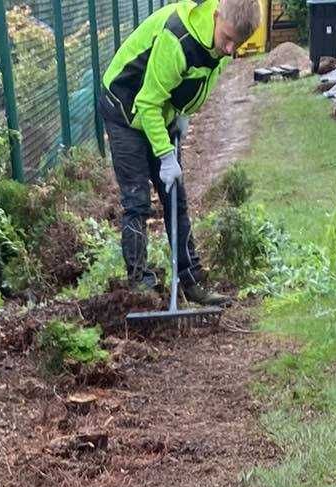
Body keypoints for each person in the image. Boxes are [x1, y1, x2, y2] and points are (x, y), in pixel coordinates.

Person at [99, 0, 260, 304]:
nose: (229, 49)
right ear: (216, 17)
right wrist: (164, 154)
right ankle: (140, 288)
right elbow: (146, 104)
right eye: (226, 38)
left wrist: (182, 112)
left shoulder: (222, 45)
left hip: (161, 110)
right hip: (124, 106)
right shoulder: (178, 39)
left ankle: (191, 281)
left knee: (176, 199)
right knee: (137, 201)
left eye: (237, 43)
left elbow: (187, 86)